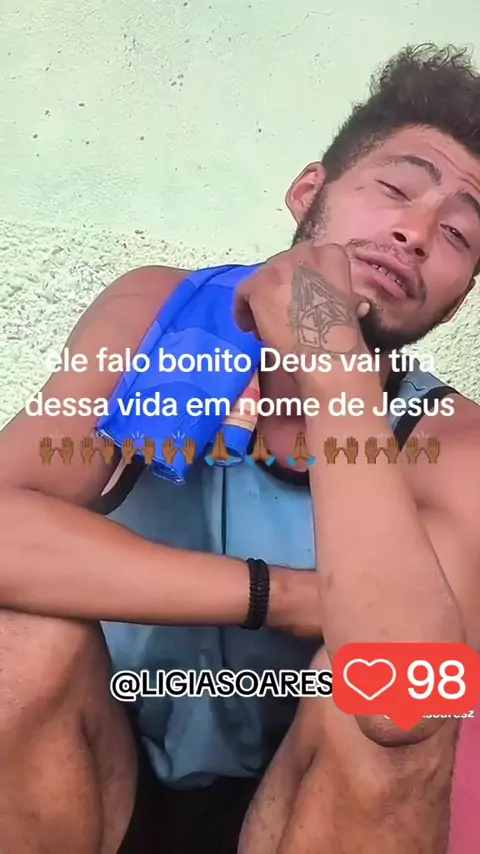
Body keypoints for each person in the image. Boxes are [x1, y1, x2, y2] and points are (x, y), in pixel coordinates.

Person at [1, 41, 480, 854]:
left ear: (461, 296)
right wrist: (282, 596)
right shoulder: (163, 320)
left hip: (300, 811)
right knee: (18, 638)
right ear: (308, 192)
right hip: (98, 769)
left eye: (460, 234)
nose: (414, 233)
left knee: (386, 692)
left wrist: (333, 365)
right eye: (395, 190)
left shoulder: (453, 443)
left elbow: (402, 705)